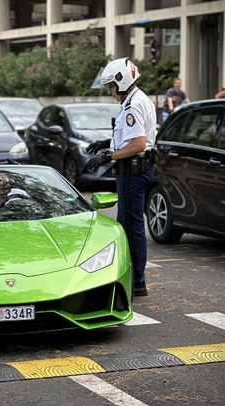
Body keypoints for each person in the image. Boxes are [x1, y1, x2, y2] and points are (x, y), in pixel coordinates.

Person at [86, 58, 157, 297]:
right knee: (131, 226)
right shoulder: (137, 99)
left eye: (111, 86)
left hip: (132, 172)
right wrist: (106, 143)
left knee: (131, 227)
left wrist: (109, 156)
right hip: (138, 170)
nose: (109, 91)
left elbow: (137, 144)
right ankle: (135, 279)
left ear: (122, 81)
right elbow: (136, 137)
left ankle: (137, 281)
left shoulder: (132, 106)